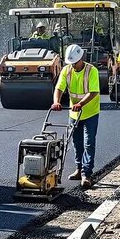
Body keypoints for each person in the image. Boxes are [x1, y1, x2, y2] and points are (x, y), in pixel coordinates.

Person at [51, 44, 101, 188]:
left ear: (81, 59)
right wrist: (56, 102)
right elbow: (59, 88)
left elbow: (93, 92)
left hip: (90, 113)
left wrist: (81, 104)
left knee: (89, 143)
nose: (73, 65)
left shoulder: (92, 71)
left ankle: (86, 174)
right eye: (70, 63)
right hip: (74, 114)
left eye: (75, 62)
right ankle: (78, 169)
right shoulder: (66, 71)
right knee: (76, 142)